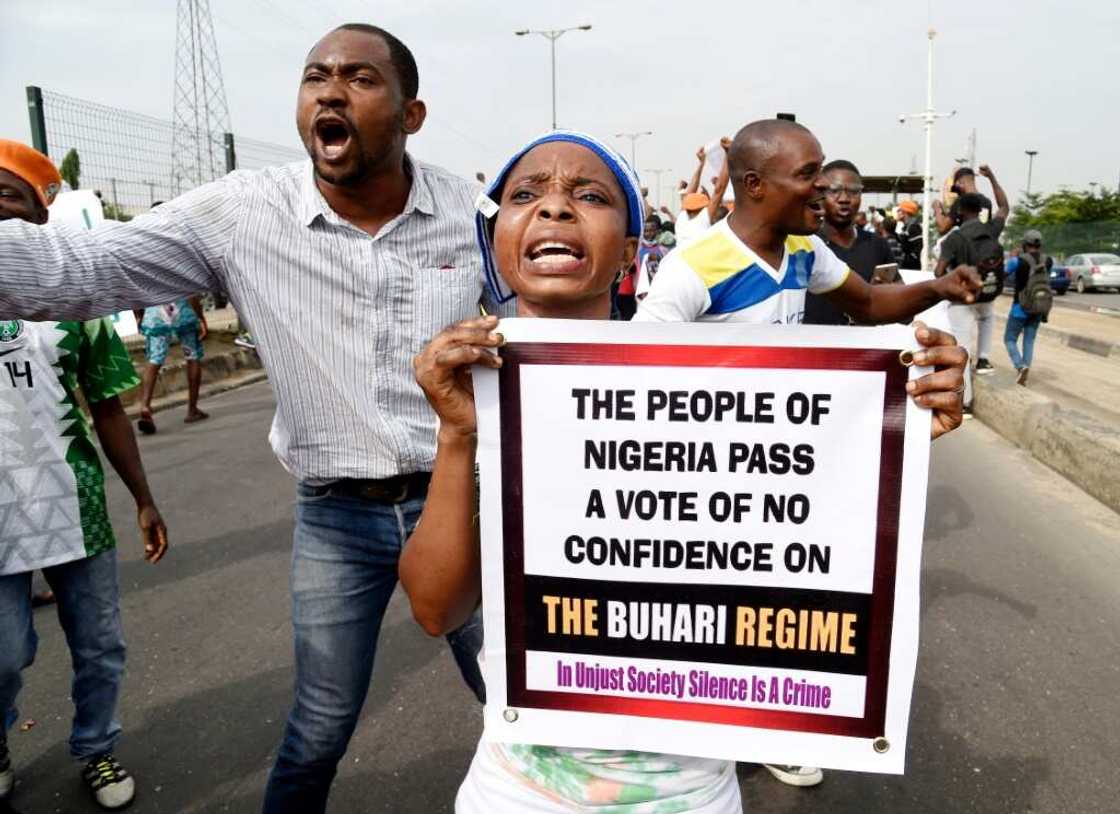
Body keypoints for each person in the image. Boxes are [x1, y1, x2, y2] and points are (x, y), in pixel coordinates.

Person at [0, 25, 496, 814]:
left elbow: (554, 330)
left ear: (411, 114)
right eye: (315, 77)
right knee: (322, 724)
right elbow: (85, 270)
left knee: (518, 698)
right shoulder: (240, 215)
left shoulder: (477, 216)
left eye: (361, 79)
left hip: (468, 503)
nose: (330, 92)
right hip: (337, 516)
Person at [404, 129, 969, 811]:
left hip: (693, 792)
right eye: (525, 194)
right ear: (496, 241)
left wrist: (895, 423)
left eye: (589, 195)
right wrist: (458, 433)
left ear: (632, 252)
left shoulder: (693, 396)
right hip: (517, 790)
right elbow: (437, 610)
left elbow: (796, 526)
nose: (554, 208)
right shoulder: (471, 390)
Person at [632, 119, 977, 787]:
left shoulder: (801, 249)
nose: (822, 186)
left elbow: (871, 302)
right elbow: (643, 380)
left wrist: (936, 287)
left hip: (783, 476)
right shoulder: (691, 270)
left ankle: (766, 727)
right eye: (807, 174)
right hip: (709, 486)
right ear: (754, 185)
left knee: (777, 604)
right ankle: (693, 734)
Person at [0, 140, 169, 811]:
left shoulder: (75, 305)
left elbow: (108, 408)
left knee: (99, 646)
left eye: (10, 196)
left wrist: (145, 500)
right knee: (4, 655)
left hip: (76, 506)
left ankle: (96, 748)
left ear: (41, 214)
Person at [804, 160, 897, 325]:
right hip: (815, 344)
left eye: (853, 191)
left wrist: (883, 294)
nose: (844, 199)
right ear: (820, 194)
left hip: (863, 344)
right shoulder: (806, 244)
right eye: (834, 191)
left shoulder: (877, 244)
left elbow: (898, 298)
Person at [134, 292, 210, 434]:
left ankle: (145, 406)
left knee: (154, 359)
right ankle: (192, 410)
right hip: (183, 313)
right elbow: (191, 291)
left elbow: (135, 291)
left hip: (156, 314)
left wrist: (138, 316)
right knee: (192, 356)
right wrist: (200, 317)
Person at [1004, 230, 1052, 385]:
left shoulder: (1018, 261)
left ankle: (1020, 366)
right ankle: (1025, 369)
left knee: (1010, 339)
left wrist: (1013, 257)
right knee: (1029, 341)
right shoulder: (1048, 261)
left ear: (1025, 244)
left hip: (1020, 307)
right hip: (1039, 306)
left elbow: (1003, 273)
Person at [675, 142, 730, 245]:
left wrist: (701, 164)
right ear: (703, 208)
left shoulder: (681, 218)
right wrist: (728, 154)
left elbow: (690, 192)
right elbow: (719, 189)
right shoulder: (704, 217)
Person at [896, 199, 923, 270]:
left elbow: (917, 250)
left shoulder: (914, 228)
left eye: (899, 210)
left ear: (905, 212)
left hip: (911, 270)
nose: (897, 212)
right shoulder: (906, 228)